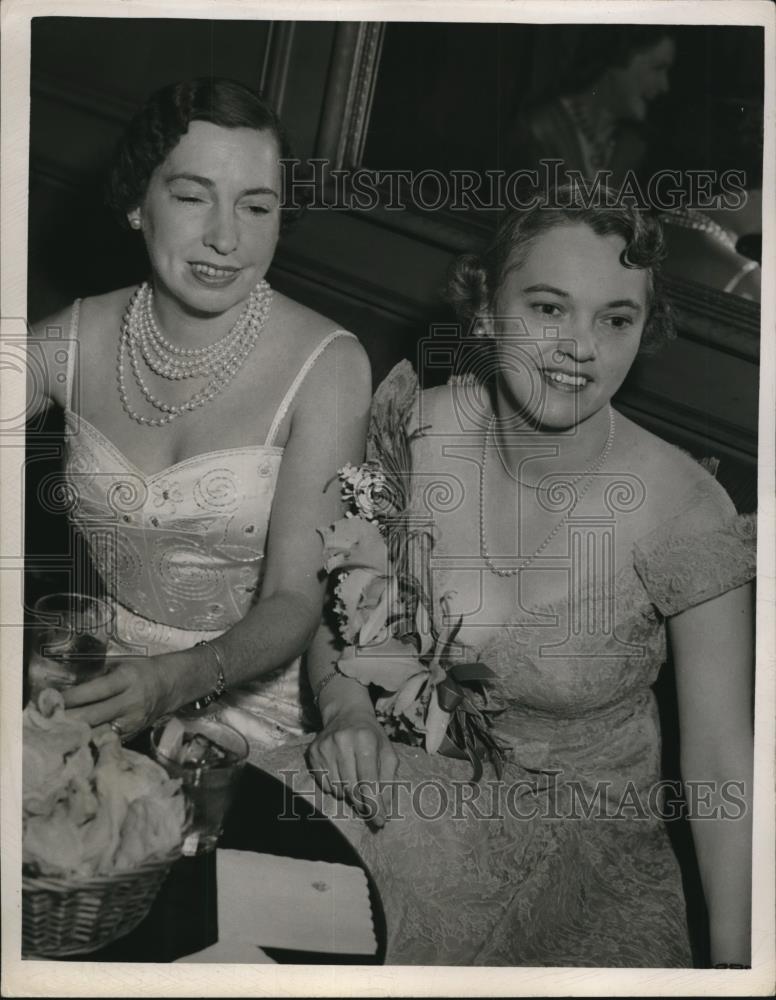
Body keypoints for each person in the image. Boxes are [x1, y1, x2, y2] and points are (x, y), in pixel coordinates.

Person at [263, 189, 755, 966]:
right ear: (487, 310)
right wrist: (346, 710)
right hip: (409, 795)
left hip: (586, 859)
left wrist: (738, 968)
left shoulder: (686, 510)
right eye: (550, 309)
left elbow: (725, 759)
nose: (580, 347)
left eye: (615, 320)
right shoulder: (408, 431)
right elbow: (344, 618)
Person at [26, 78, 371, 751]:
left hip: (252, 716)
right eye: (191, 197)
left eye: (256, 207)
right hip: (98, 686)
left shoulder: (329, 366)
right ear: (137, 203)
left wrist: (180, 679)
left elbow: (296, 601)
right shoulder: (75, 336)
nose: (225, 238)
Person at [508, 26, 675, 185]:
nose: (664, 86)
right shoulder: (539, 130)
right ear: (616, 59)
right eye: (657, 68)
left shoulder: (633, 145)